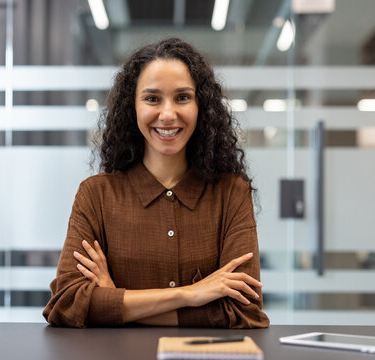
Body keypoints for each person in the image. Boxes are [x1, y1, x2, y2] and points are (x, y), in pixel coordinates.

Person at [43, 38, 270, 328]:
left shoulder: (231, 194)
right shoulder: (96, 195)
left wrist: (114, 301)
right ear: (132, 107)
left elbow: (244, 312)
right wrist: (189, 295)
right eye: (152, 99)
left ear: (201, 106)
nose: (167, 114)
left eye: (182, 97)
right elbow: (66, 304)